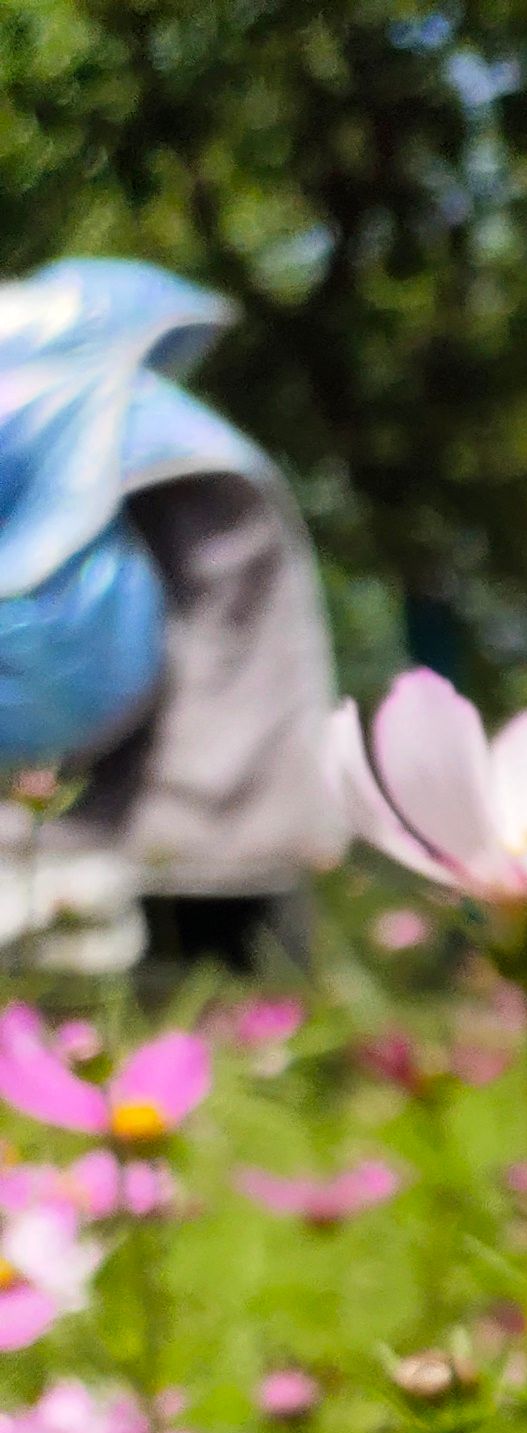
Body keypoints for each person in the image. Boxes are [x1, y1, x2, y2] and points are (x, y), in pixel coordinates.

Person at [0, 259, 339, 975]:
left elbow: (82, 666)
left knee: (214, 963)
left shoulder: (120, 431)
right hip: (199, 795)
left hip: (198, 818)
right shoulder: (136, 417)